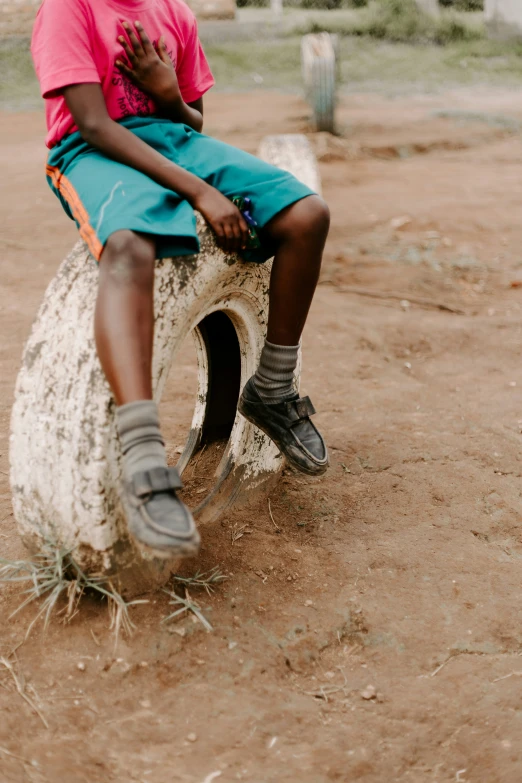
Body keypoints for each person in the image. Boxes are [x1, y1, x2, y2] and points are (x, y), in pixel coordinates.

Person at [31, 0, 330, 560]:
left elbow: (193, 121)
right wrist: (200, 192)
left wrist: (166, 92)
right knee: (128, 248)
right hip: (93, 151)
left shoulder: (175, 13)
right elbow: (92, 123)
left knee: (307, 215)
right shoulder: (67, 9)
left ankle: (272, 389)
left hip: (174, 142)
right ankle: (144, 456)